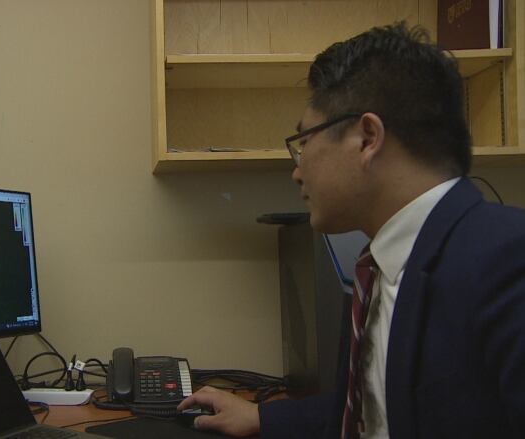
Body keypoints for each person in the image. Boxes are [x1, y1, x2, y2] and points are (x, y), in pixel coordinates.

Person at [177, 22, 525, 438]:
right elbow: (376, 409)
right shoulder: (378, 266)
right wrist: (261, 417)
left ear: (367, 138)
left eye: (304, 143)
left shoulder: (509, 261)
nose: (296, 171)